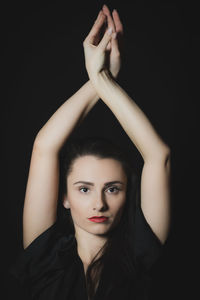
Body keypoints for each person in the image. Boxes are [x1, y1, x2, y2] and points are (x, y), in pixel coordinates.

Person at [10, 4, 171, 300]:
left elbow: (158, 155)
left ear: (128, 194)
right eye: (84, 189)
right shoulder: (45, 259)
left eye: (112, 189)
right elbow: (44, 145)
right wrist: (99, 80)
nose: (99, 204)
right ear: (65, 197)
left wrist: (104, 80)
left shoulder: (140, 255)